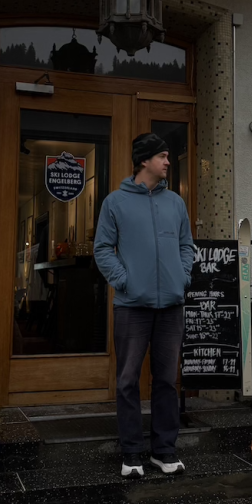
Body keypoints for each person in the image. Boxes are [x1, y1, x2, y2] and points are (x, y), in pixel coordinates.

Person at [94, 132, 195, 477]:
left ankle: (164, 451)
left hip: (171, 306)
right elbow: (102, 249)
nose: (168, 162)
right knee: (127, 380)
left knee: (167, 380)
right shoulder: (115, 203)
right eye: (163, 156)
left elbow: (186, 246)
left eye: (168, 156)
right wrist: (125, 281)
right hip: (131, 307)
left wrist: (182, 277)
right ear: (144, 161)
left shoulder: (176, 203)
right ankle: (132, 453)